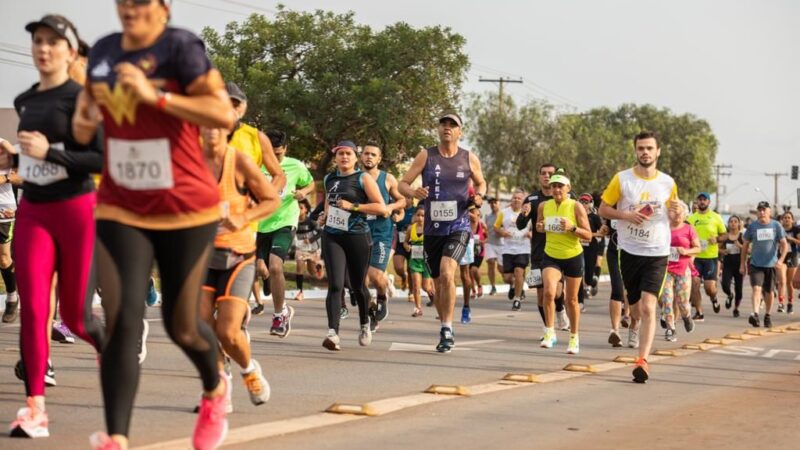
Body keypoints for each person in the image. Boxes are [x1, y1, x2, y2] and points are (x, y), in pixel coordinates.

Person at [74, 0, 238, 447]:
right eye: (123, 1)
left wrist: (156, 96)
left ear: (163, 7)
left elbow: (222, 114)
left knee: (181, 325)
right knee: (121, 320)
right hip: (121, 204)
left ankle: (214, 387)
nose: (129, 8)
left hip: (185, 206)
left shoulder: (180, 47)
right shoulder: (105, 50)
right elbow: (85, 127)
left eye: (140, 1)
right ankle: (116, 438)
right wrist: (84, 115)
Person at [2, 14, 106, 439]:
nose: (43, 48)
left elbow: (102, 159)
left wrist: (50, 154)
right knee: (34, 311)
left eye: (53, 41)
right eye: (38, 41)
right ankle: (35, 409)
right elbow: (35, 157)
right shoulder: (25, 100)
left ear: (71, 51)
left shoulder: (84, 99)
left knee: (76, 318)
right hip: (34, 211)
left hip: (75, 209)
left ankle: (112, 348)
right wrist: (16, 158)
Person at [198, 124, 280, 410]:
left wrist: (244, 217)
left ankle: (249, 370)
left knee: (228, 332)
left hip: (237, 254)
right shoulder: (186, 162)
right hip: (200, 256)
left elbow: (272, 199)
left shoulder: (240, 161)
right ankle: (221, 387)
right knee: (202, 327)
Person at [399, 113, 487, 353]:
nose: (447, 128)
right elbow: (402, 184)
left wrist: (479, 196)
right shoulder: (426, 155)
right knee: (438, 283)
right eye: (443, 124)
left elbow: (481, 183)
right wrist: (413, 193)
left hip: (459, 226)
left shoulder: (468, 158)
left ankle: (447, 328)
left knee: (448, 272)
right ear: (438, 129)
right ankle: (444, 325)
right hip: (432, 230)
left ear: (460, 131)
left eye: (452, 125)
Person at [599, 131, 679, 383]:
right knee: (634, 309)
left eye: (649, 148)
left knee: (648, 306)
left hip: (657, 252)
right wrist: (625, 215)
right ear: (635, 151)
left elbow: (674, 218)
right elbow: (603, 209)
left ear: (658, 152)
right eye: (641, 148)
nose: (645, 152)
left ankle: (642, 361)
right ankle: (633, 325)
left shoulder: (667, 183)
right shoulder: (622, 179)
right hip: (629, 251)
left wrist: (678, 213)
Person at [319, 141, 386, 350]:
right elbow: (329, 202)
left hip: (357, 236)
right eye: (340, 154)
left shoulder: (362, 178)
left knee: (358, 286)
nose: (344, 157)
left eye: (348, 153)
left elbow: (381, 207)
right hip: (332, 236)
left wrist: (353, 206)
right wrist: (324, 216)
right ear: (335, 157)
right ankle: (333, 333)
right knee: (336, 285)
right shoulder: (329, 178)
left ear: (355, 157)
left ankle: (365, 323)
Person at [255, 130, 314, 338]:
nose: (275, 158)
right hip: (259, 223)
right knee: (260, 268)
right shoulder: (255, 164)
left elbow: (310, 183)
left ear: (285, 149)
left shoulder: (296, 166)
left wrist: (303, 192)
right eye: (271, 153)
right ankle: (269, 280)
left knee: (275, 265)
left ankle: (280, 314)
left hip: (285, 222)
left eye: (279, 154)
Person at [536, 170, 592, 354]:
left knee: (572, 300)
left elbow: (588, 235)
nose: (556, 189)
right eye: (553, 186)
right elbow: (539, 226)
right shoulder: (544, 206)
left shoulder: (576, 206)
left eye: (560, 186)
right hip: (551, 255)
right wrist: (540, 226)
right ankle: (549, 332)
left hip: (573, 256)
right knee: (548, 292)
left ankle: (574, 337)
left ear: (568, 188)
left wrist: (572, 227)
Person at [517, 164, 569, 332]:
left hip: (560, 251)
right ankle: (548, 329)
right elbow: (520, 225)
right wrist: (523, 214)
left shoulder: (567, 197)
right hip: (539, 253)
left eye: (550, 173)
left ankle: (560, 308)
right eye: (543, 173)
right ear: (539, 176)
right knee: (542, 294)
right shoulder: (532, 199)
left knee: (556, 292)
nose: (547, 176)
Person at [360, 144, 405, 325]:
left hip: (381, 233)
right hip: (359, 232)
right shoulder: (354, 178)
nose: (369, 157)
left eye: (373, 154)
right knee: (359, 282)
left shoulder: (387, 179)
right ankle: (370, 310)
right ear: (361, 156)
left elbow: (402, 200)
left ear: (379, 159)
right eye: (366, 154)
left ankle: (381, 296)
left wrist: (390, 207)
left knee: (375, 275)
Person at [741, 202, 788, 328]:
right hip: (755, 264)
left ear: (769, 212)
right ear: (757, 212)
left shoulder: (776, 225)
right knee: (756, 288)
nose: (762, 212)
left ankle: (767, 315)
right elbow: (745, 246)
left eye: (764, 210)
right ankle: (755, 314)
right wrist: (742, 264)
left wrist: (781, 260)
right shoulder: (752, 226)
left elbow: (784, 244)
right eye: (759, 210)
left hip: (771, 265)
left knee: (769, 292)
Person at [659, 201, 699, 342]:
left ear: (684, 214)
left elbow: (698, 248)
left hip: (683, 269)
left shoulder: (689, 229)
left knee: (682, 301)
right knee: (667, 299)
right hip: (665, 269)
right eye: (674, 211)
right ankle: (671, 328)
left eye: (680, 212)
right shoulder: (663, 228)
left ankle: (686, 316)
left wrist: (686, 251)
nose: (677, 214)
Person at [687, 192, 727, 314]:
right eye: (700, 199)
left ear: (709, 202)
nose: (702, 201)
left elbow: (725, 235)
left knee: (709, 288)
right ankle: (699, 312)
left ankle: (714, 298)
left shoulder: (716, 217)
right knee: (694, 284)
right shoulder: (691, 219)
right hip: (695, 257)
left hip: (710, 257)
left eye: (704, 199)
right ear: (697, 202)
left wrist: (717, 239)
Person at [495, 189, 531, 311]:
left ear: (523, 201)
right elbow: (496, 227)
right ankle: (513, 285)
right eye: (514, 198)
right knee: (507, 277)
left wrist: (530, 234)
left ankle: (517, 299)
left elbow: (535, 228)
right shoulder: (503, 212)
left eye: (519, 198)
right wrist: (502, 232)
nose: (516, 200)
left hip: (523, 248)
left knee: (519, 271)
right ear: (511, 199)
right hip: (508, 249)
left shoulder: (528, 213)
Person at [405, 205, 436, 317]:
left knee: (426, 287)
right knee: (416, 286)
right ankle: (418, 309)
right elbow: (405, 242)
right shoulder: (411, 228)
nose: (420, 218)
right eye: (418, 215)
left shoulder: (430, 228)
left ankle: (437, 300)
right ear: (415, 216)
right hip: (415, 260)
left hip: (427, 261)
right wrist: (407, 246)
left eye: (423, 215)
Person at [0, 167, 20, 324]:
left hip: (3, 210)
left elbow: (23, 175)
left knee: (4, 259)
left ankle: (12, 297)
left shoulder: (6, 153)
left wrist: (6, 178)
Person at [577, 192, 603, 310]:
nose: (584, 204)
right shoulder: (575, 215)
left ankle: (593, 281)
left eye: (586, 202)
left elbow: (602, 233)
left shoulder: (594, 217)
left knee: (588, 277)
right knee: (579, 273)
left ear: (590, 203)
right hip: (578, 247)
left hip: (591, 248)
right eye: (582, 201)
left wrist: (589, 235)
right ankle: (580, 302)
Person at [294, 199, 324, 302]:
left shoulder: (310, 222)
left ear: (306, 210)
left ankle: (319, 266)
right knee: (299, 265)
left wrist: (310, 240)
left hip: (312, 250)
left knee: (312, 272)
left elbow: (320, 232)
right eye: (297, 207)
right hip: (300, 249)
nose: (298, 210)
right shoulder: (293, 221)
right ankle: (300, 292)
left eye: (301, 208)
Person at [720, 215, 745, 317]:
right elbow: (717, 248)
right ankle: (730, 295)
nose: (733, 223)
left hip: (739, 265)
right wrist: (723, 251)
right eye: (731, 221)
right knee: (725, 284)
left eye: (735, 221)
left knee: (739, 289)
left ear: (739, 224)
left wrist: (740, 246)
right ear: (728, 224)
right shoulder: (725, 236)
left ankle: (736, 308)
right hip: (728, 264)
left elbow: (749, 250)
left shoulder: (742, 236)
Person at [391, 198, 416, 299]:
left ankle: (411, 292)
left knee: (411, 269)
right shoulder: (397, 210)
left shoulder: (415, 210)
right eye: (403, 197)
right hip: (399, 243)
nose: (405, 199)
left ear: (412, 200)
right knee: (398, 267)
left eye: (408, 197)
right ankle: (403, 276)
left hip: (412, 243)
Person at [776, 211, 798, 314]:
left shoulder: (796, 229)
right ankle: (781, 303)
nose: (787, 219)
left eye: (789, 217)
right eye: (785, 217)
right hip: (781, 257)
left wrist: (791, 239)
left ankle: (790, 303)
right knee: (782, 281)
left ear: (792, 220)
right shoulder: (778, 229)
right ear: (782, 220)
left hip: (792, 257)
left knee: (790, 282)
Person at [483, 197, 503, 295]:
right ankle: (493, 287)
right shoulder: (487, 216)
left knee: (501, 268)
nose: (493, 204)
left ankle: (512, 283)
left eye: (495, 202)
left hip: (502, 245)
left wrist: (501, 231)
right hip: (490, 243)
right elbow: (486, 230)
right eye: (491, 203)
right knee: (490, 263)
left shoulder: (504, 215)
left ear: (499, 204)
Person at [469, 205, 488, 300]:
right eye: (471, 212)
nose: (473, 215)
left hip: (479, 251)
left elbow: (487, 238)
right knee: (469, 272)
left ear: (479, 216)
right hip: (468, 250)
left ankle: (479, 285)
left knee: (474, 269)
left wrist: (482, 241)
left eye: (475, 213)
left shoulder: (482, 225)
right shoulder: (466, 225)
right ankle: (473, 290)